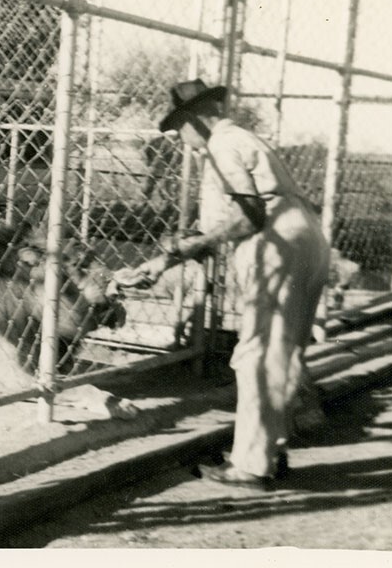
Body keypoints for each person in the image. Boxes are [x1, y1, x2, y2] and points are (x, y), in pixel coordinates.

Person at [114, 79, 330, 489]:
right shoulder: (243, 140)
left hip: (277, 245)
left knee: (256, 357)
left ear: (197, 119)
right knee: (278, 357)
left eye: (181, 129)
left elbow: (248, 217)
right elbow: (223, 225)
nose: (184, 141)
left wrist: (196, 243)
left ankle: (251, 467)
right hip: (305, 239)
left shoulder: (220, 145)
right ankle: (270, 452)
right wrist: (162, 263)